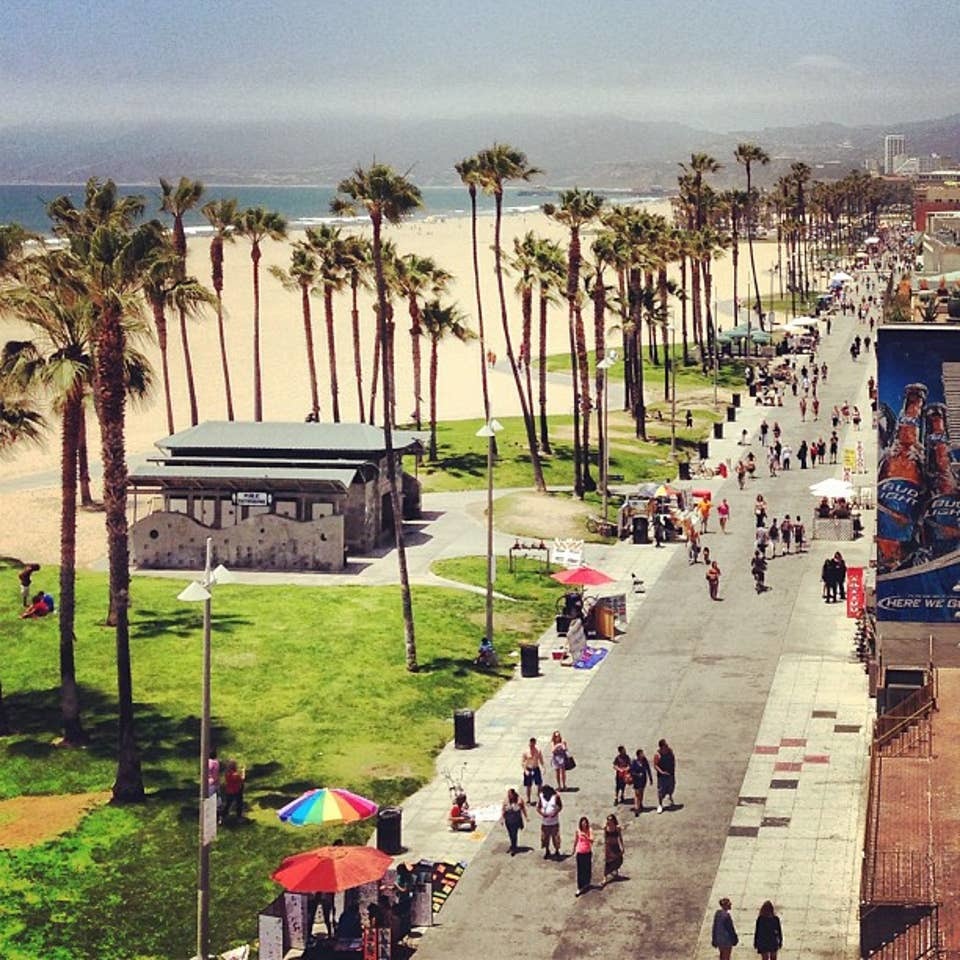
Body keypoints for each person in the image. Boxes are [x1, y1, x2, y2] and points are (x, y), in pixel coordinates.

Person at [537, 784, 562, 859]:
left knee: (556, 838)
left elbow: (560, 806)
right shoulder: (541, 797)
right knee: (545, 838)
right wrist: (542, 814)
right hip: (545, 823)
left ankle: (557, 850)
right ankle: (547, 850)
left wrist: (555, 813)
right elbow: (538, 808)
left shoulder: (556, 797)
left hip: (554, 822)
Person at [501, 787, 526, 855]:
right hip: (508, 820)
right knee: (510, 834)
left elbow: (523, 809)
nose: (509, 796)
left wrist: (526, 817)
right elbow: (503, 810)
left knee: (514, 834)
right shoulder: (506, 800)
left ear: (513, 794)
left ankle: (514, 847)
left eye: (510, 794)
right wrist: (502, 819)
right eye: (508, 794)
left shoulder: (519, 800)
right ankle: (512, 845)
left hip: (516, 820)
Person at [601, 814, 624, 887]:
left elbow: (620, 838)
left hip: (615, 846)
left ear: (614, 820)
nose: (609, 821)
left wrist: (622, 847)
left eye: (611, 819)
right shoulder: (606, 828)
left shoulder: (617, 828)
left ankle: (615, 871)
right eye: (608, 819)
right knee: (607, 863)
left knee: (618, 859)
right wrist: (605, 847)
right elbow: (605, 838)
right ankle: (605, 878)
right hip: (609, 847)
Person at [654, 739, 676, 812]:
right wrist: (662, 772)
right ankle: (660, 805)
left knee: (671, 787)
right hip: (662, 776)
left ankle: (670, 797)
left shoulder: (670, 751)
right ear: (661, 747)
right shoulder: (657, 755)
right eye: (665, 745)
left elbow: (673, 758)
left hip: (670, 774)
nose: (667, 746)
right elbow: (655, 765)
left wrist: (673, 769)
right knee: (661, 791)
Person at [573, 816, 593, 896]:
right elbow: (576, 840)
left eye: (585, 823)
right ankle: (580, 887)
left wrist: (586, 837)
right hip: (580, 852)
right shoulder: (578, 831)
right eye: (582, 823)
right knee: (580, 870)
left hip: (587, 852)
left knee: (587, 868)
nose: (584, 824)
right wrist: (574, 849)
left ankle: (587, 883)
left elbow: (592, 840)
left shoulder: (589, 830)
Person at [629, 748, 653, 815]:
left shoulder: (644, 761)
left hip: (643, 779)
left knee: (641, 792)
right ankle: (637, 808)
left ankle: (640, 803)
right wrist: (637, 775)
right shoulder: (634, 762)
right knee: (637, 794)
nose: (643, 755)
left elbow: (648, 769)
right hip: (636, 780)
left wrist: (650, 778)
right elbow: (631, 771)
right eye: (641, 754)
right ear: (638, 755)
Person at [522, 737, 544, 803]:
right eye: (530, 744)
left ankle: (539, 797)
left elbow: (541, 760)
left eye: (533, 744)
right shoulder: (526, 752)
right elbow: (523, 762)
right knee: (528, 785)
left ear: (535, 743)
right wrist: (525, 770)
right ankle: (528, 799)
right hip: (528, 769)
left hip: (536, 768)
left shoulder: (538, 751)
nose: (531, 745)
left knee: (539, 784)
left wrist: (543, 767)